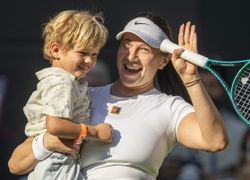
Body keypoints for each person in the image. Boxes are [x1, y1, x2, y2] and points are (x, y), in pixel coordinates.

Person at [8, 11, 228, 180]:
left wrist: (191, 78)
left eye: (143, 49)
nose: (131, 56)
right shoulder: (83, 96)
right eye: (126, 45)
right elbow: (16, 164)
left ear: (163, 60)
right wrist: (48, 141)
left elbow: (215, 141)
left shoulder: (169, 107)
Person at [15, 10, 113, 180]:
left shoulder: (70, 81)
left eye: (94, 54)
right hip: (56, 158)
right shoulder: (61, 82)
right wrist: (95, 132)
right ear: (56, 50)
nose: (89, 61)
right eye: (82, 53)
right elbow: (54, 125)